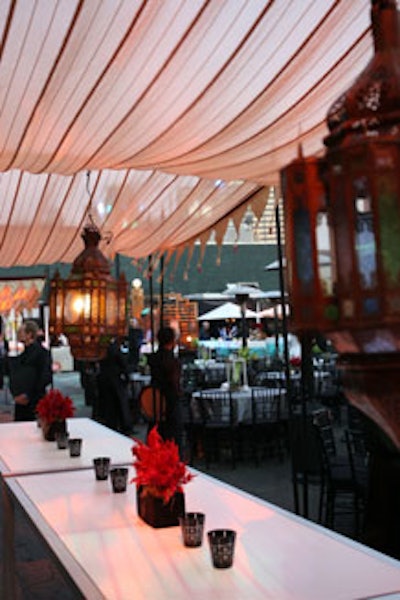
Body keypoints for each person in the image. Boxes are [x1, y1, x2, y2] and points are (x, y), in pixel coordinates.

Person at [147, 327, 183, 454]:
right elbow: (174, 382)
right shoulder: (172, 361)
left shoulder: (153, 358)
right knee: (172, 435)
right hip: (170, 401)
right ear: (172, 341)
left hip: (155, 400)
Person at [8, 320, 53, 421]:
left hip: (35, 400)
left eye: (22, 331)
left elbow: (45, 377)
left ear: (29, 334)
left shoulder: (42, 353)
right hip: (22, 400)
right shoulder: (23, 354)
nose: (19, 333)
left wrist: (28, 395)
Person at [96, 338, 133, 435]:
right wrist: (127, 375)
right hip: (115, 379)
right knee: (121, 404)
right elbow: (122, 363)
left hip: (105, 379)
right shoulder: (114, 348)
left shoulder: (101, 349)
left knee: (110, 405)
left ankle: (111, 424)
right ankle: (125, 426)